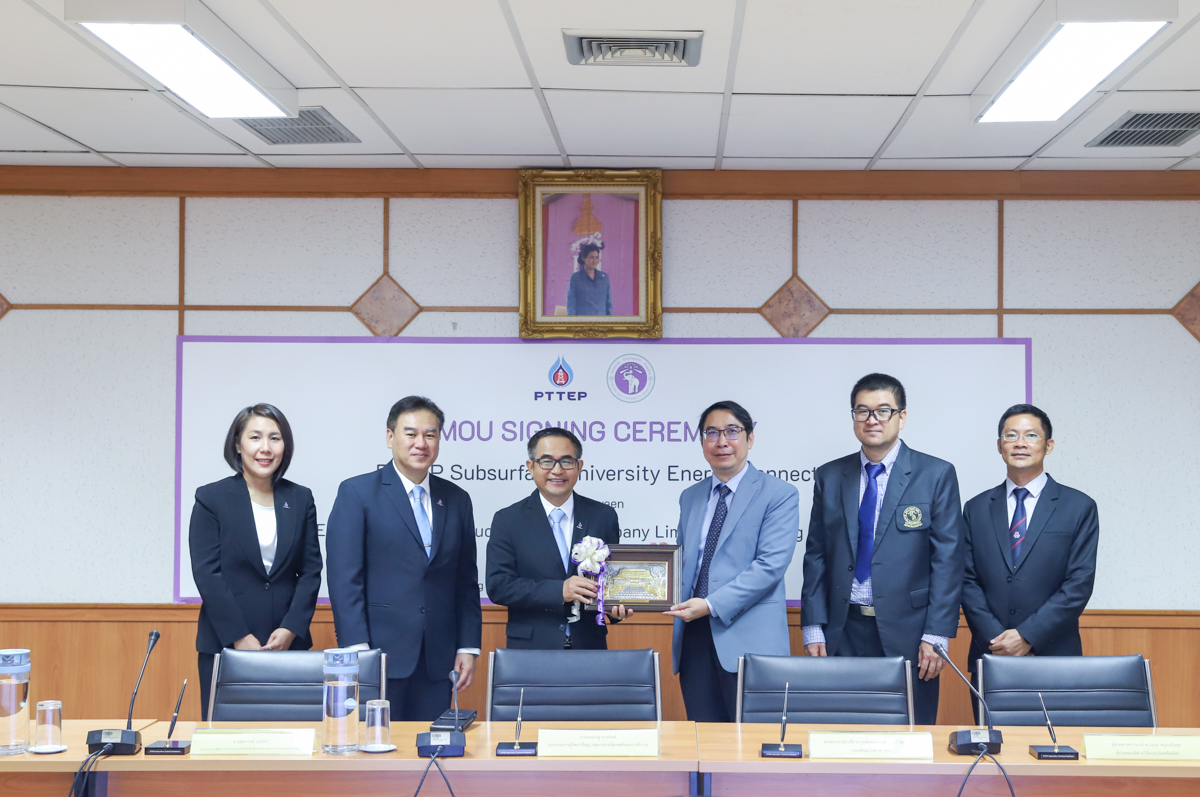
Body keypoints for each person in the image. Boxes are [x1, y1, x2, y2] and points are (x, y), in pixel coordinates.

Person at [801, 373, 965, 725]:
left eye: (883, 411)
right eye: (862, 411)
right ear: (853, 417)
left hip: (911, 632)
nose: (872, 419)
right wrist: (813, 624)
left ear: (901, 417)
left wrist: (936, 634)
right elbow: (816, 554)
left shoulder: (935, 474)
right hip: (842, 629)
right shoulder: (830, 476)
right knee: (840, 731)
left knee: (911, 733)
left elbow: (948, 561)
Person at [325, 396, 482, 721]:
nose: (420, 443)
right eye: (410, 434)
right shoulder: (357, 493)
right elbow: (344, 579)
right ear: (390, 437)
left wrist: (467, 646)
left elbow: (465, 581)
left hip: (438, 659)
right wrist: (357, 650)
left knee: (431, 746)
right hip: (378, 655)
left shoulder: (457, 499)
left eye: (430, 434)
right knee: (376, 745)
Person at [664, 400, 799, 722]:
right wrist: (659, 568)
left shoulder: (778, 493)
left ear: (750, 438)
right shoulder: (690, 496)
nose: (721, 442)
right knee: (704, 738)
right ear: (702, 442)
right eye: (711, 433)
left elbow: (770, 565)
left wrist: (711, 605)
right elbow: (688, 563)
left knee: (754, 742)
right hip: (694, 638)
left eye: (731, 432)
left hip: (750, 640)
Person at [960, 404, 1099, 712]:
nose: (1020, 443)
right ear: (1000, 446)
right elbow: (966, 580)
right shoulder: (976, 508)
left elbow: (1078, 585)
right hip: (991, 655)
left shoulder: (1079, 507)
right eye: (1011, 435)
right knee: (992, 741)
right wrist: (998, 640)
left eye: (1031, 435)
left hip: (1054, 656)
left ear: (1048, 445)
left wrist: (1027, 636)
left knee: (1055, 741)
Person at [189, 403, 323, 720]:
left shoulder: (300, 498)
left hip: (287, 646)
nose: (265, 448)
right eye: (255, 437)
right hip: (226, 645)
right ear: (238, 444)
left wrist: (291, 628)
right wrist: (239, 635)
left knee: (291, 737)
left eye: (275, 438)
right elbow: (207, 573)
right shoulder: (211, 498)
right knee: (228, 741)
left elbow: (311, 571)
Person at [486, 427, 630, 649]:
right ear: (531, 467)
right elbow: (499, 586)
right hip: (531, 649)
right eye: (547, 461)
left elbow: (609, 582)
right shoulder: (508, 520)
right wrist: (559, 591)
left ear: (579, 466)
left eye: (566, 461)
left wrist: (615, 609)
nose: (557, 470)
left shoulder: (603, 516)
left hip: (588, 647)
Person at [566, 242, 613, 316]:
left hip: (601, 321)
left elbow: (609, 304)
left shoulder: (604, 277)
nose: (594, 261)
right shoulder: (575, 278)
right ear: (583, 258)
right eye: (592, 257)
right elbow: (571, 304)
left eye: (596, 258)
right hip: (582, 321)